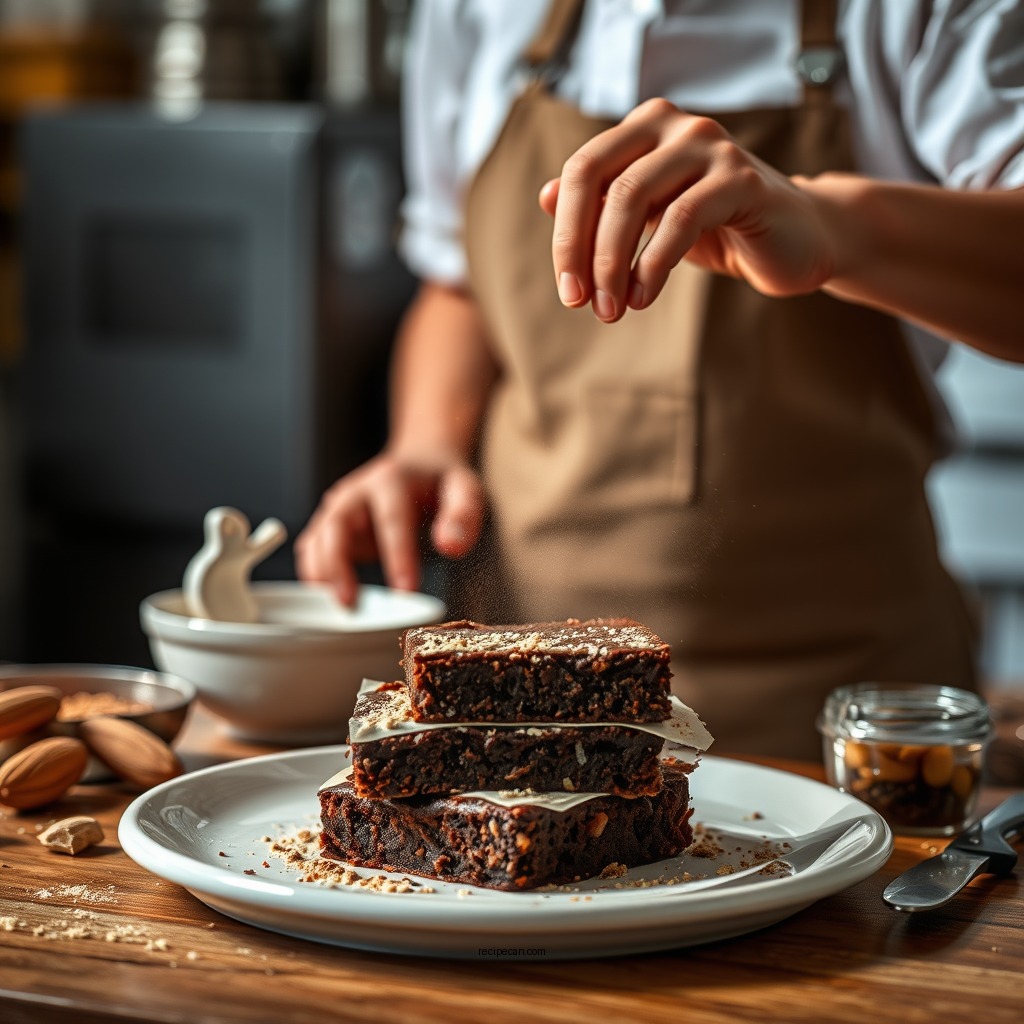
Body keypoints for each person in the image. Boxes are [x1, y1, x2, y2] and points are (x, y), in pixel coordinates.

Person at [297, 0, 1024, 758]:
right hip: (514, 704)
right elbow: (458, 280)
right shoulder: (478, 13)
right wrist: (424, 443)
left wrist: (832, 226)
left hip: (840, 725)